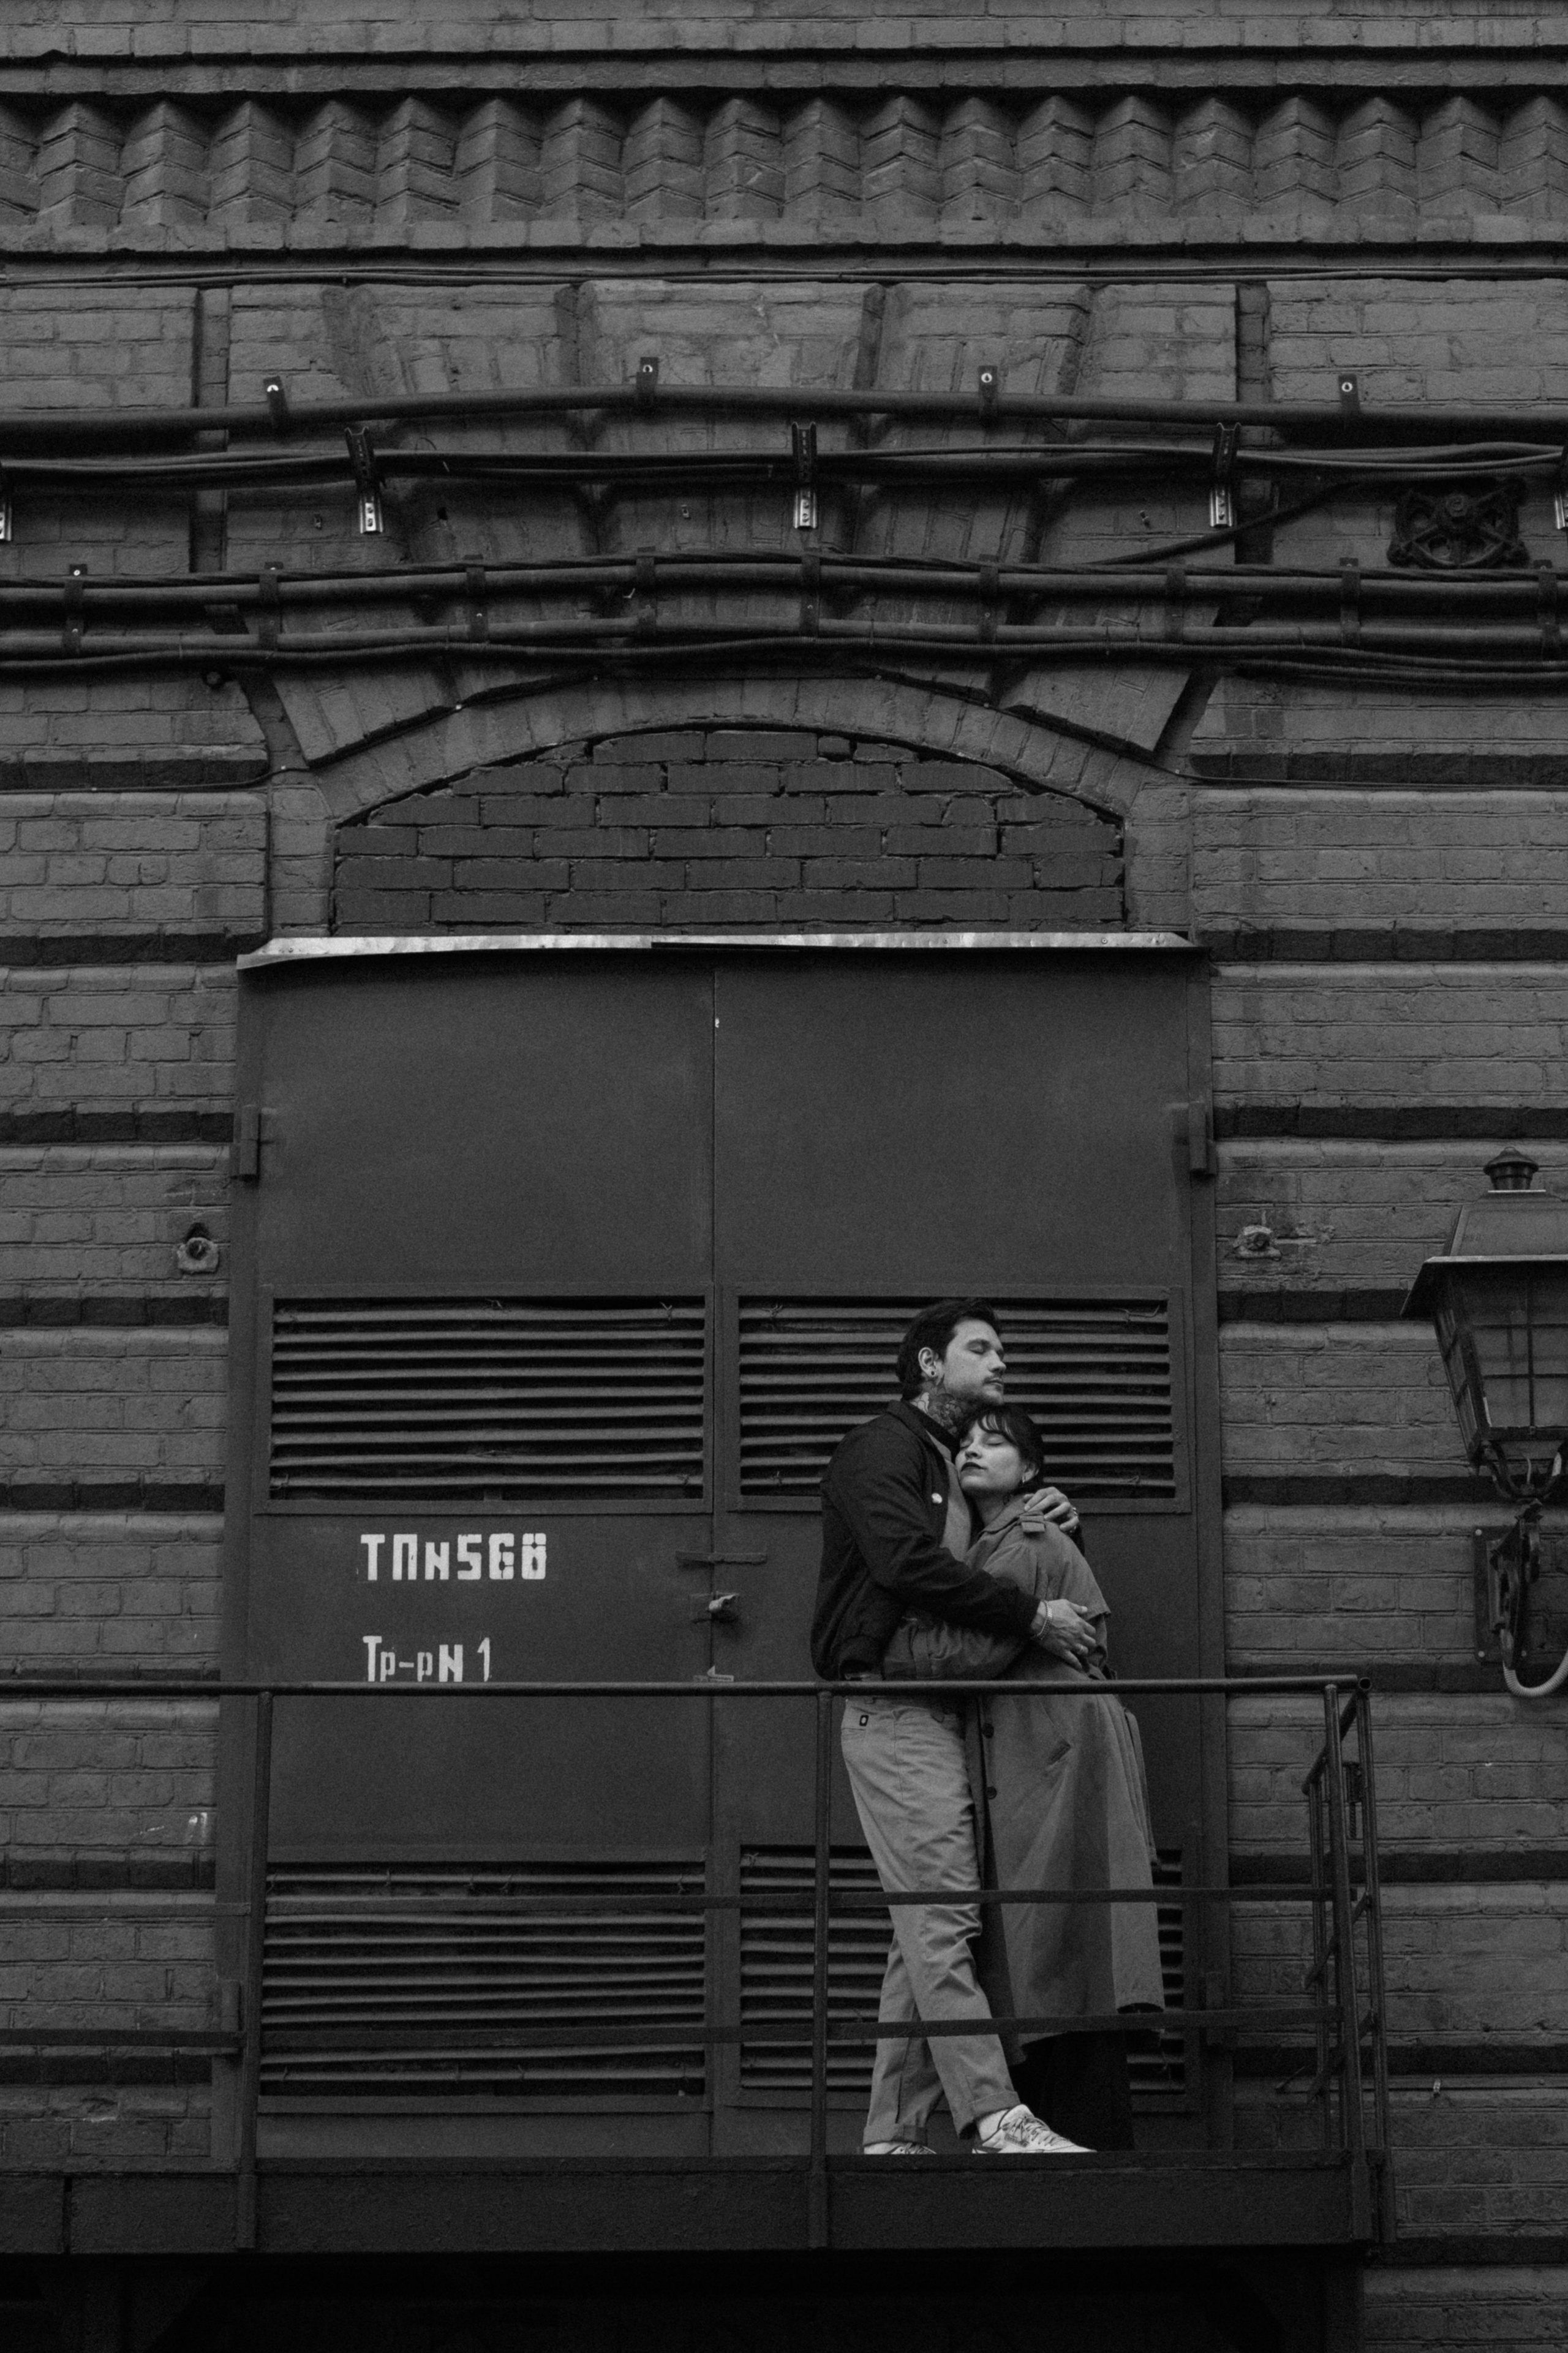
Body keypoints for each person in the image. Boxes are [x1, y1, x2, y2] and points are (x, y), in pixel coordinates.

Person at [811, 1299, 1099, 2158]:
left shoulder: (950, 1461)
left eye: (1003, 1348)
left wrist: (1034, 1504)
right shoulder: (884, 1448)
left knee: (924, 1924)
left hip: (937, 1715)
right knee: (941, 1914)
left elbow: (978, 1554)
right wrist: (1030, 1615)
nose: (1001, 1361)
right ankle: (994, 2114)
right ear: (931, 1365)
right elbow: (904, 1560)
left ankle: (893, 2136)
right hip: (895, 1710)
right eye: (982, 1348)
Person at [881, 1402, 1166, 2151]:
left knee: (1050, 1942)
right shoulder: (999, 1540)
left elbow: (961, 1657)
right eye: (967, 1440)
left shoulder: (1026, 1536)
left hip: (1054, 1756)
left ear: (1031, 1472)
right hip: (1044, 1754)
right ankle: (1032, 2126)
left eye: (995, 1443)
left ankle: (1051, 2133)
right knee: (1045, 1944)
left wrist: (868, 1652)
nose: (974, 1448)